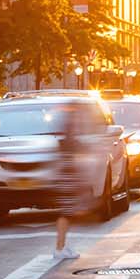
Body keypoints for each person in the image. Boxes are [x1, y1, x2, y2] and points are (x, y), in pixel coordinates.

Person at [52, 103, 94, 261]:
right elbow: (73, 150)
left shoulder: (67, 131)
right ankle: (60, 247)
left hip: (66, 174)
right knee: (66, 213)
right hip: (67, 175)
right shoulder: (70, 132)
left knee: (68, 213)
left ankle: (62, 245)